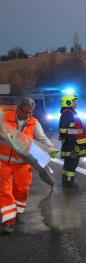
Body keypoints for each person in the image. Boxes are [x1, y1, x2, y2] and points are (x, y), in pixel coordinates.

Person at [0, 97, 58, 235]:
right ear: (18, 108)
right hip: (3, 162)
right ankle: (8, 221)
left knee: (22, 190)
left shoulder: (34, 122)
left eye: (30, 113)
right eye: (25, 112)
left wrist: (49, 148)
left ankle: (17, 214)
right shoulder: (3, 116)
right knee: (4, 190)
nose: (27, 115)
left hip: (23, 163)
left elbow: (42, 138)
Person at [58, 94, 86, 188]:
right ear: (68, 103)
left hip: (72, 141)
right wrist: (65, 137)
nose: (75, 103)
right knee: (72, 162)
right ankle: (69, 182)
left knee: (68, 162)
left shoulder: (68, 112)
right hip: (73, 143)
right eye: (74, 101)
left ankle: (65, 181)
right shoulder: (68, 113)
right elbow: (64, 130)